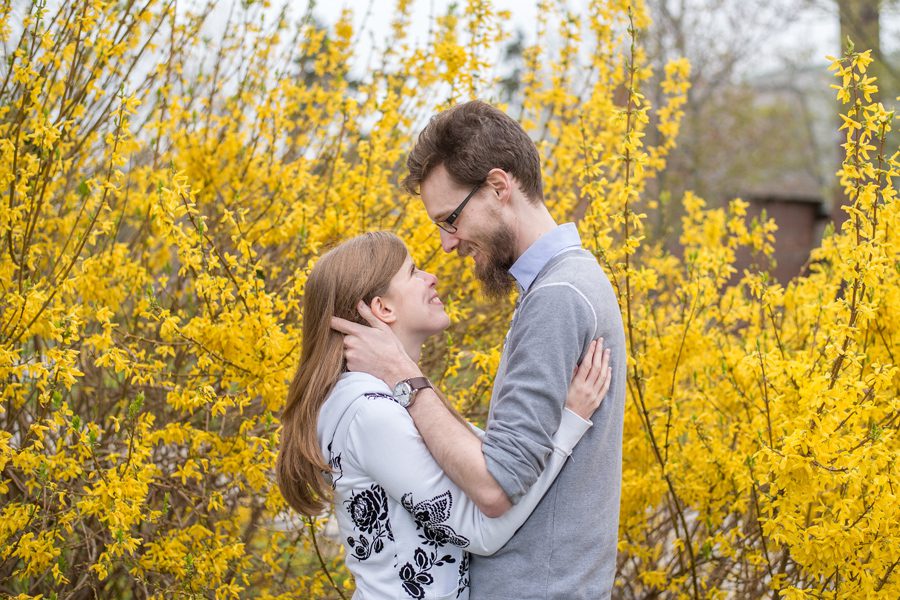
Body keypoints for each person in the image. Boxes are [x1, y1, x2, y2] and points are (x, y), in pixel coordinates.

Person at [331, 101, 627, 599]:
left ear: (497, 187)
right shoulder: (565, 284)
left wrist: (402, 374)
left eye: (451, 219)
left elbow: (493, 484)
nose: (448, 245)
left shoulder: (556, 298)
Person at [277, 231, 612, 600]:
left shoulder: (388, 396)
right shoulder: (369, 412)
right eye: (413, 271)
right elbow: (482, 531)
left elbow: (487, 461)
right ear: (383, 308)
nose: (431, 277)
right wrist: (569, 422)